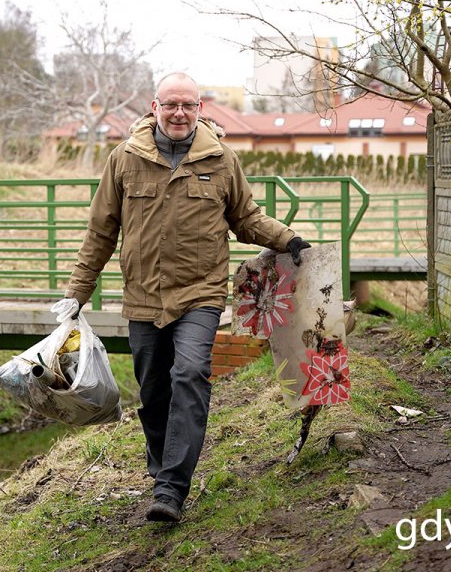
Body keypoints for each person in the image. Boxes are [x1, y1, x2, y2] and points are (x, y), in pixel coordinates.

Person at [51, 72, 310, 523]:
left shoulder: (220, 158)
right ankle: (162, 472)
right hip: (144, 297)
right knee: (153, 391)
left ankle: (171, 489)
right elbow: (101, 231)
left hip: (200, 293)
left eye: (187, 105)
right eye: (170, 104)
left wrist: (288, 239)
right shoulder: (124, 159)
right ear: (154, 107)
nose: (179, 113)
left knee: (189, 374)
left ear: (200, 109)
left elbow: (245, 217)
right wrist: (77, 292)